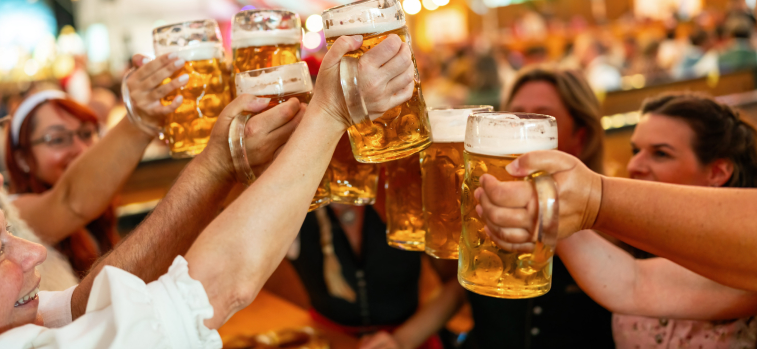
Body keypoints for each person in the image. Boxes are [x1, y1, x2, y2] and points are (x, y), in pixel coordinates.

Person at [0, 33, 416, 348]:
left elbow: (87, 302)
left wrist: (220, 164)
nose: (33, 252)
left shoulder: (2, 322)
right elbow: (213, 290)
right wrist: (331, 112)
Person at [558, 94, 757, 347]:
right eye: (635, 150)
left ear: (717, 172)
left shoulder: (744, 257)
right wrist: (552, 205)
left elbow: (635, 283)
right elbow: (631, 280)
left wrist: (587, 198)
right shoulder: (631, 246)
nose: (634, 165)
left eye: (661, 154)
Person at [2, 54, 192, 279]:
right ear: (23, 159)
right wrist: (141, 120)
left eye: (85, 134)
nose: (81, 150)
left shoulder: (96, 218)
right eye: (58, 139)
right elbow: (71, 201)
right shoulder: (14, 216)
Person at [465, 67, 613, 348]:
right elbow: (452, 289)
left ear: (579, 139)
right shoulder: (483, 217)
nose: (521, 129)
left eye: (539, 119)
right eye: (515, 115)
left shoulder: (613, 233)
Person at [288, 200, 465, 349]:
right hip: (327, 341)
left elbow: (456, 283)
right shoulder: (294, 205)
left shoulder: (405, 192)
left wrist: (402, 340)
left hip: (412, 338)